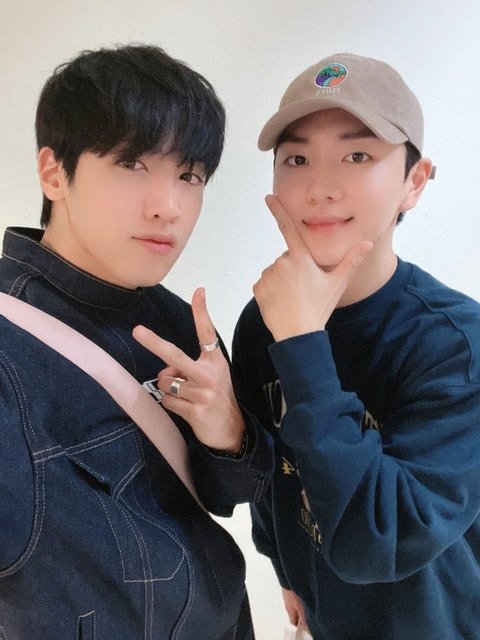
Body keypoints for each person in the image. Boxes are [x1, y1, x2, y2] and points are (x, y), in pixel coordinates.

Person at [0, 44, 273, 640]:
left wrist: (228, 433)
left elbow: (230, 495)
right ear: (54, 172)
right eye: (132, 164)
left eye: (189, 175)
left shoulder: (176, 319)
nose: (167, 207)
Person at [232, 52, 480, 639]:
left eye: (358, 155)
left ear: (414, 182)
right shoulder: (262, 322)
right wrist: (285, 569)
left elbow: (381, 540)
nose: (320, 188)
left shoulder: (456, 345)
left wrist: (303, 345)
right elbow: (274, 473)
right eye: (297, 159)